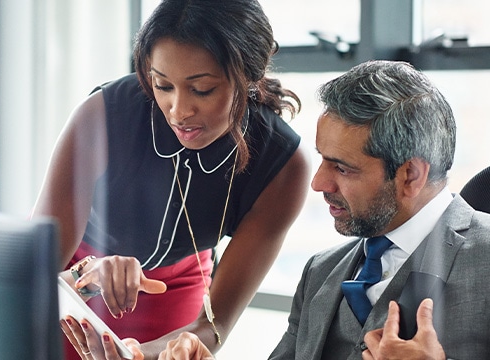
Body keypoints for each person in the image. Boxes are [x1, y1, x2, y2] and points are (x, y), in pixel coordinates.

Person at [145, 60, 490, 359]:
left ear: (410, 175)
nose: (318, 183)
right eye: (321, 159)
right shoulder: (321, 271)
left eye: (342, 167)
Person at [31, 0, 311, 359]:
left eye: (202, 89)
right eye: (162, 85)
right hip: (77, 283)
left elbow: (214, 325)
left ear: (250, 76)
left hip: (177, 288)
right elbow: (29, 277)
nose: (179, 111)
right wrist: (87, 277)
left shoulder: (284, 166)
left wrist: (139, 355)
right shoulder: (101, 115)